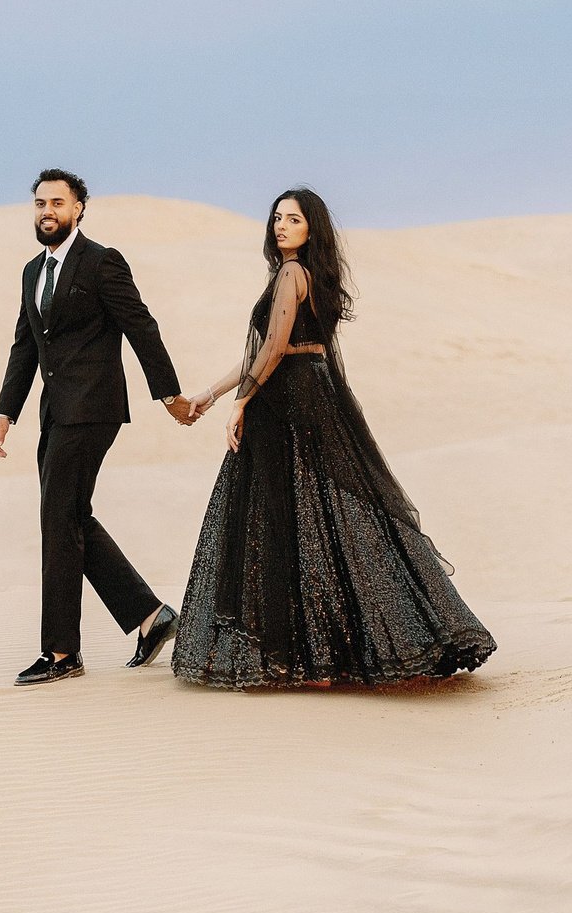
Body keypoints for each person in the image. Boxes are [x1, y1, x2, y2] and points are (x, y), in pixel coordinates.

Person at [169, 188, 496, 688]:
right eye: (276, 217)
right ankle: (340, 647)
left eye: (293, 219)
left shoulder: (290, 274)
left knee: (288, 520)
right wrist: (215, 394)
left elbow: (276, 346)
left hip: (288, 402)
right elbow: (268, 348)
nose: (280, 226)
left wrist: (241, 402)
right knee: (323, 518)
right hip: (308, 392)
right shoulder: (309, 275)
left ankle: (305, 653)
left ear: (310, 228)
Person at [0, 169, 193, 685]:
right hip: (54, 413)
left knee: (59, 521)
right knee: (71, 518)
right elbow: (25, 346)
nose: (46, 211)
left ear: (79, 208)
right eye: (39, 203)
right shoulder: (32, 272)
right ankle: (150, 616)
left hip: (94, 409)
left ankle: (61, 654)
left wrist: (167, 393)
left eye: (57, 202)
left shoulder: (102, 262)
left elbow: (141, 325)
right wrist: (5, 411)